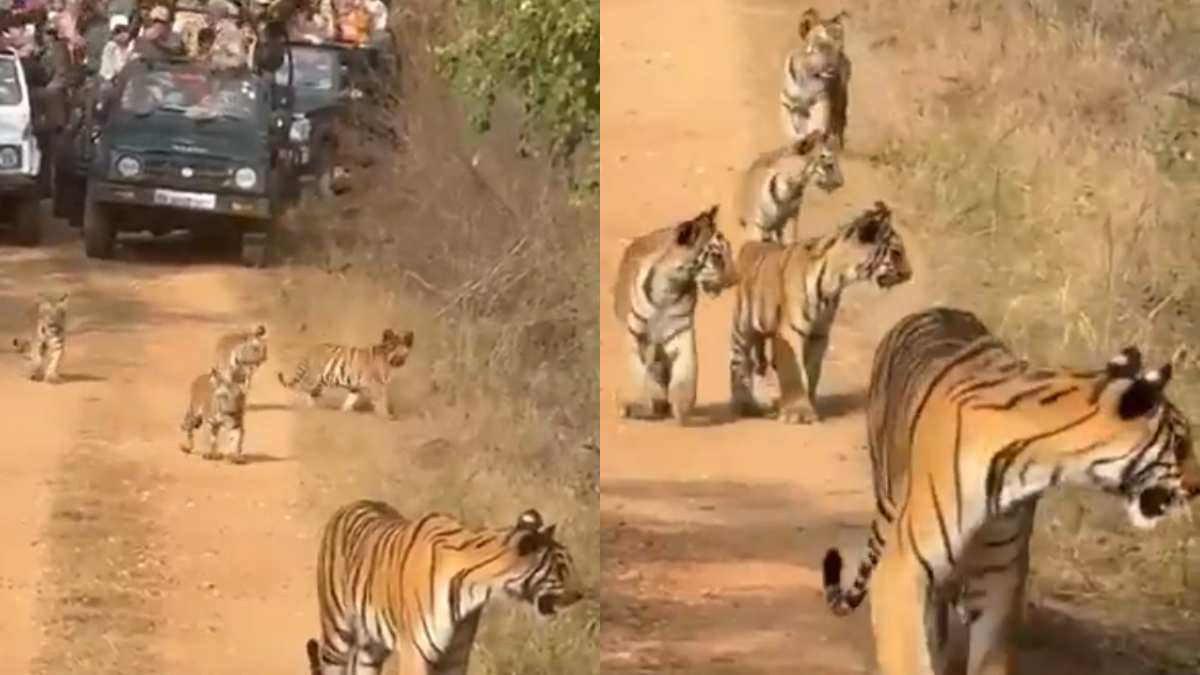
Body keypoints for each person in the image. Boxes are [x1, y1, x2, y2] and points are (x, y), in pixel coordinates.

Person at [98, 12, 131, 80]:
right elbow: (109, 72)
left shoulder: (133, 46)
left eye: (125, 30)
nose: (122, 34)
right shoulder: (110, 48)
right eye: (118, 31)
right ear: (112, 34)